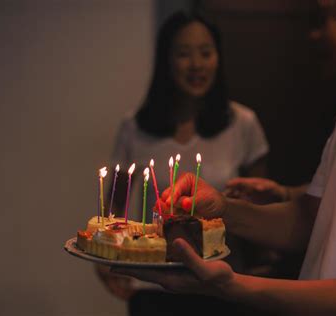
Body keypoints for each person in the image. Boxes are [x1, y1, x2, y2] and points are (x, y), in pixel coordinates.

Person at [113, 0, 336, 314]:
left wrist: (232, 286)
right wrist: (223, 208)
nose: (326, 3)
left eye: (205, 52)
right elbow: (308, 220)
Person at [98, 11, 270, 307]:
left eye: (206, 52)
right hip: (154, 282)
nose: (197, 65)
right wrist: (104, 255)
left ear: (218, 57)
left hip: (222, 282)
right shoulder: (136, 127)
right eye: (184, 54)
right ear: (166, 60)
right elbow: (115, 206)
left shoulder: (243, 123)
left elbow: (260, 202)